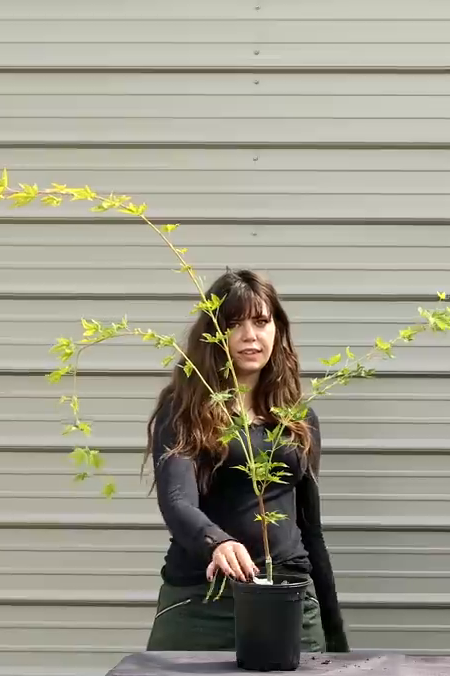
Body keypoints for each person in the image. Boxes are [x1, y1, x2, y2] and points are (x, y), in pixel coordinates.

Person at [143, 269, 349, 654]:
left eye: (260, 321)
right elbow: (176, 501)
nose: (249, 336)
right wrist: (216, 542)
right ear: (213, 335)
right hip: (202, 600)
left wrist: (333, 630)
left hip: (289, 598)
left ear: (277, 329)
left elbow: (311, 529)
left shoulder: (298, 419)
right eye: (233, 324)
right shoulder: (185, 409)